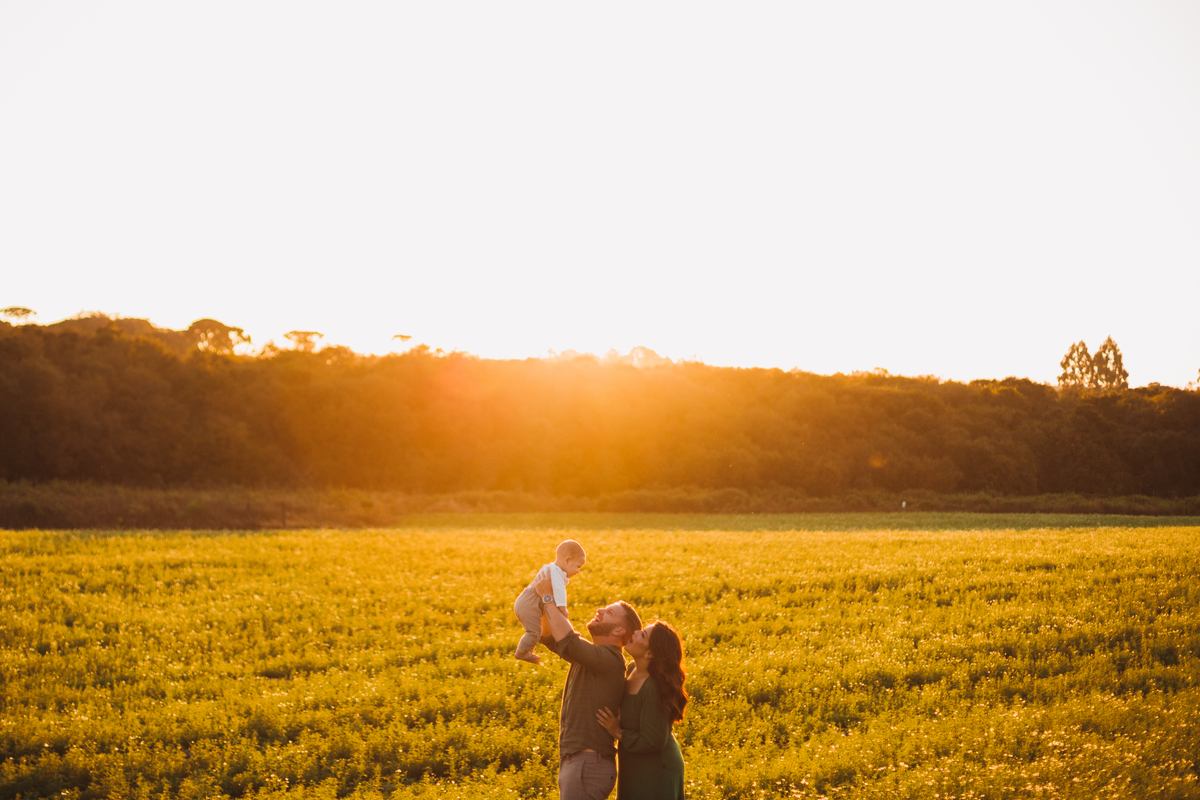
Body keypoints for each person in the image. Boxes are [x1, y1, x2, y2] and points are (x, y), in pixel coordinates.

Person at [535, 570, 642, 800]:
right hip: (581, 764)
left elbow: (568, 641)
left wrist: (547, 598)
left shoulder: (610, 661)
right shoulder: (593, 657)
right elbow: (550, 637)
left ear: (618, 631)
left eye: (609, 612)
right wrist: (544, 601)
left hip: (587, 766)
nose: (600, 610)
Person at [595, 621, 687, 800]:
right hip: (634, 764)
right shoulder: (631, 670)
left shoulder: (653, 686)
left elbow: (654, 740)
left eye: (643, 634)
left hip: (658, 768)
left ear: (650, 652)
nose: (635, 632)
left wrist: (618, 732)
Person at [514, 540, 587, 664]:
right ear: (567, 560)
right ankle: (521, 652)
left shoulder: (553, 570)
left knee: (536, 631)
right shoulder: (555, 572)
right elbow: (559, 591)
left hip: (528, 603)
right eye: (578, 566)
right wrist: (562, 609)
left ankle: (528, 650)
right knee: (534, 632)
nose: (578, 571)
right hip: (529, 604)